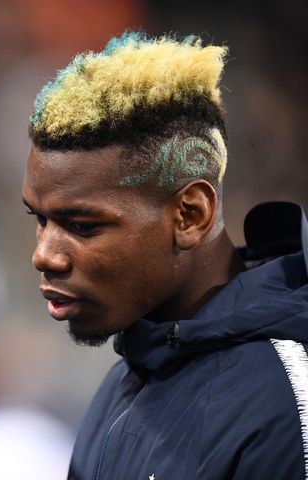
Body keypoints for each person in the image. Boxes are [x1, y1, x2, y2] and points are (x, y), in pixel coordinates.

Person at [22, 31, 308, 479]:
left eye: (81, 225)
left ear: (190, 216)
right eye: (40, 219)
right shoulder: (123, 382)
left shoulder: (287, 402)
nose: (45, 255)